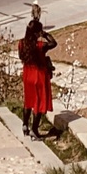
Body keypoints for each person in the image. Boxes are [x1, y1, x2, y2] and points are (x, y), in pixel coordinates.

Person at [18, 8, 57, 137]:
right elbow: (53, 43)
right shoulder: (40, 46)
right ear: (37, 33)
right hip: (39, 75)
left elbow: (20, 57)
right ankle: (34, 130)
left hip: (27, 74)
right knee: (38, 103)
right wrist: (44, 34)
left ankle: (25, 125)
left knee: (28, 101)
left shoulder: (22, 44)